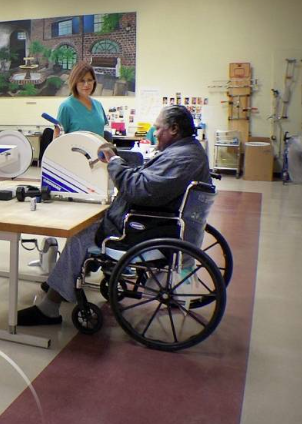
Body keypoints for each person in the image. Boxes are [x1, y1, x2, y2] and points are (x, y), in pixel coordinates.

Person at [17, 105, 211, 326]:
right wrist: (119, 160)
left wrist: (114, 162)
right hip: (156, 220)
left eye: (158, 128)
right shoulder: (188, 151)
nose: (154, 133)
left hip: (144, 227)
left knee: (81, 233)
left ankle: (49, 307)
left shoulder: (181, 158)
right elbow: (150, 180)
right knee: (91, 225)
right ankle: (61, 280)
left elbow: (140, 189)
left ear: (174, 129)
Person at [55, 61, 108, 138]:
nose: (86, 84)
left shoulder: (98, 105)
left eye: (89, 80)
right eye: (82, 81)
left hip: (97, 149)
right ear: (75, 82)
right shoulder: (66, 107)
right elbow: (57, 141)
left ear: (94, 81)